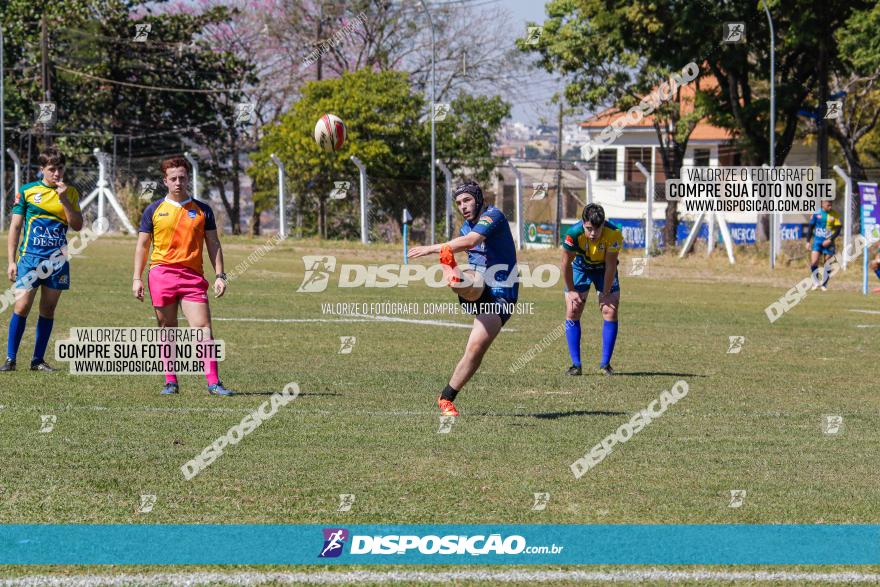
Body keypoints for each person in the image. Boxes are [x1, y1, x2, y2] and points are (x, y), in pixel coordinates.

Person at [407, 181, 518, 416]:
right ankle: (455, 275)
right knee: (472, 282)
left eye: (466, 200)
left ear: (478, 198)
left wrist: (431, 248)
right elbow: (467, 243)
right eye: (458, 203)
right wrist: (447, 251)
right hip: (477, 280)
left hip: (502, 291)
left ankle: (446, 398)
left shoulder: (493, 216)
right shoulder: (465, 227)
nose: (463, 206)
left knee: (476, 349)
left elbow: (472, 242)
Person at [132, 155, 234, 396]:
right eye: (173, 178)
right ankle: (170, 381)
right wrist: (136, 278)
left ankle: (213, 382)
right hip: (161, 275)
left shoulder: (202, 210)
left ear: (189, 179)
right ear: (165, 181)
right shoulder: (153, 210)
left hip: (192, 278)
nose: (178, 182)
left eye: (183, 178)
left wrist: (220, 275)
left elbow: (213, 243)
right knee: (167, 329)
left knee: (203, 329)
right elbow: (142, 246)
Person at [2, 146, 83, 372]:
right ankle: (10, 359)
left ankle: (37, 360)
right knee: (21, 306)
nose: (57, 173)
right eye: (52, 169)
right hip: (30, 260)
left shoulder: (71, 192)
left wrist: (64, 199)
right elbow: (15, 227)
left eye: (60, 168)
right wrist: (11, 260)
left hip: (57, 262)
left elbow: (77, 225)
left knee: (48, 310)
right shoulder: (27, 191)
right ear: (42, 170)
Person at [561, 203, 622, 376]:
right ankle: (576, 365)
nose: (593, 233)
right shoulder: (573, 234)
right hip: (581, 268)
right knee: (573, 310)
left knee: (610, 310)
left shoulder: (614, 233)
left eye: (597, 228)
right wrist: (571, 290)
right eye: (589, 228)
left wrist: (606, 292)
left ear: (603, 224)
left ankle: (605, 365)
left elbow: (611, 265)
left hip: (603, 269)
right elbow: (565, 264)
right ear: (583, 224)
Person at [805, 200, 841, 291]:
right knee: (814, 261)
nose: (830, 207)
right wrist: (808, 241)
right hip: (817, 241)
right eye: (828, 205)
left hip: (829, 242)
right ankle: (816, 281)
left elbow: (838, 230)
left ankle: (824, 284)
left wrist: (830, 239)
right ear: (822, 204)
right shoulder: (816, 213)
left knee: (827, 262)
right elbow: (810, 227)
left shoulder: (835, 214)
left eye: (831, 205)